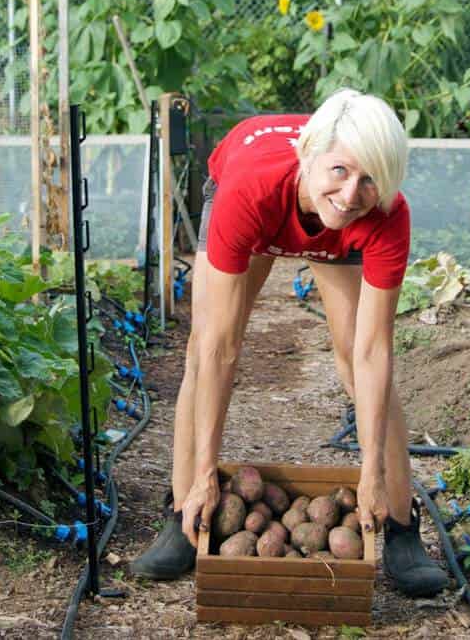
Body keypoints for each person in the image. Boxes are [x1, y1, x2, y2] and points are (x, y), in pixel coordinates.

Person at [130, 89, 448, 596]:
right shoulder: (250, 190)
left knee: (353, 362)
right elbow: (218, 350)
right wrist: (208, 473)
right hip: (261, 210)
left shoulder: (382, 211)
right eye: (341, 171)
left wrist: (371, 476)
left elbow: (372, 352)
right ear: (309, 155)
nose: (350, 193)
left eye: (369, 179)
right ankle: (182, 512)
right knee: (206, 346)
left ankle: (403, 526)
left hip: (330, 233)